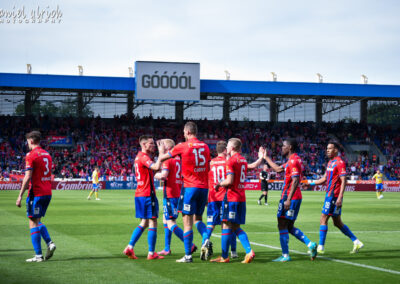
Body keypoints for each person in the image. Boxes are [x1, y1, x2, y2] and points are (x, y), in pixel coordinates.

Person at [158, 121, 211, 263]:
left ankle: (188, 256)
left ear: (187, 132)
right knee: (198, 219)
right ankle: (206, 239)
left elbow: (162, 159)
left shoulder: (182, 146)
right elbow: (207, 167)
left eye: (183, 132)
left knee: (187, 223)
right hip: (203, 187)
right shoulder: (205, 147)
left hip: (189, 187)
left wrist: (161, 151)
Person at [211, 138, 264, 263]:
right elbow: (253, 166)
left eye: (228, 146)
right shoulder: (243, 160)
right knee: (235, 226)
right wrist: (261, 158)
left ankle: (226, 256)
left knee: (226, 225)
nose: (226, 149)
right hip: (241, 198)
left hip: (231, 198)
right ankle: (247, 252)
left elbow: (229, 181)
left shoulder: (231, 161)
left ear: (232, 148)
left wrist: (219, 184)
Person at [264, 138, 317, 262]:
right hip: (294, 197)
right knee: (289, 226)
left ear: (290, 147)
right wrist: (265, 157)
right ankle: (310, 244)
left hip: (289, 197)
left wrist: (288, 199)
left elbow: (295, 180)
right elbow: (278, 169)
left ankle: (285, 255)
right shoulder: (293, 159)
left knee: (281, 224)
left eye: (284, 146)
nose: (281, 148)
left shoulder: (293, 161)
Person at [308, 142, 364, 254]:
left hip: (333, 196)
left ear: (336, 150)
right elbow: (324, 179)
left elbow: (344, 180)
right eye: (327, 148)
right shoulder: (330, 163)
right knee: (337, 222)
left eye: (330, 148)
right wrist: (311, 184)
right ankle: (356, 242)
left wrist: (340, 197)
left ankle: (320, 247)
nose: (327, 150)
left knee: (323, 218)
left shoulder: (339, 163)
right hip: (330, 195)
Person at [16, 131, 56, 262]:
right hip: (47, 193)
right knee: (37, 220)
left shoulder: (31, 155)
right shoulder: (47, 154)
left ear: (31, 141)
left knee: (32, 222)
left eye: (27, 141)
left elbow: (27, 177)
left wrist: (20, 195)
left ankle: (38, 256)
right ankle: (50, 243)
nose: (27, 144)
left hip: (36, 193)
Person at [123, 135, 164, 260]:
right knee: (153, 221)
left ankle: (130, 247)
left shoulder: (138, 157)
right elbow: (156, 167)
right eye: (151, 143)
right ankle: (151, 253)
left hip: (140, 193)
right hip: (147, 194)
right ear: (144, 145)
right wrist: (162, 154)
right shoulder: (143, 157)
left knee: (144, 222)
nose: (153, 146)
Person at [154, 139, 197, 256]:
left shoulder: (168, 160)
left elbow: (163, 176)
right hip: (178, 192)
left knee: (170, 222)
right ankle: (167, 248)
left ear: (168, 148)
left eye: (163, 145)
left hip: (170, 193)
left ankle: (190, 244)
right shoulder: (179, 159)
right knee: (165, 219)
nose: (161, 147)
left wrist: (154, 174)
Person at [206, 141, 238, 259]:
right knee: (230, 224)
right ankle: (233, 251)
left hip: (213, 196)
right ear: (225, 150)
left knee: (210, 224)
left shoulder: (211, 162)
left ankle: (205, 244)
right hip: (225, 196)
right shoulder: (228, 162)